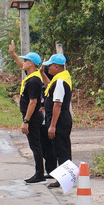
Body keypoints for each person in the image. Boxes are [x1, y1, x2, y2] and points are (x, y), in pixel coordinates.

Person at [8, 41, 45, 183]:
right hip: (32, 116)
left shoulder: (34, 81)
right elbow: (21, 66)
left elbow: (33, 102)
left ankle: (39, 174)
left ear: (32, 63)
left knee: (35, 145)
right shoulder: (31, 75)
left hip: (32, 117)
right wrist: (13, 54)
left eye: (26, 61)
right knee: (36, 144)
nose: (23, 63)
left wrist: (26, 121)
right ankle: (40, 172)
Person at [43, 53, 73, 189]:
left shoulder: (60, 81)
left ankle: (64, 179)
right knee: (62, 147)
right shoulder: (61, 78)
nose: (48, 68)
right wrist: (42, 73)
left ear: (56, 67)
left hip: (59, 119)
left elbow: (57, 105)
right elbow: (49, 86)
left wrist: (53, 126)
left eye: (50, 66)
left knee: (61, 150)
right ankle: (66, 177)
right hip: (61, 118)